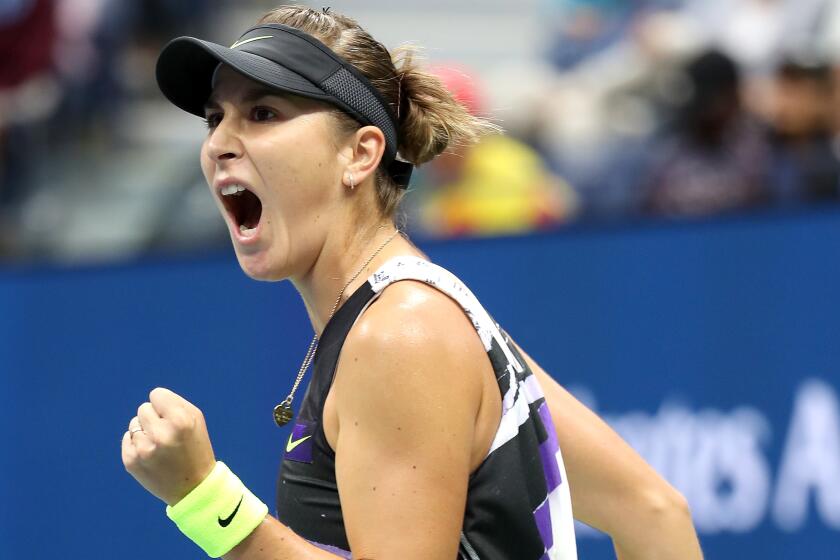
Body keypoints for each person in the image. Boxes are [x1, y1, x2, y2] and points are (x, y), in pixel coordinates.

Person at [121, 6, 703, 560]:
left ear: (360, 153)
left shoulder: (403, 334)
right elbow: (653, 510)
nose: (220, 142)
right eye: (215, 118)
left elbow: (656, 512)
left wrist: (204, 499)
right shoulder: (423, 311)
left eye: (263, 113)